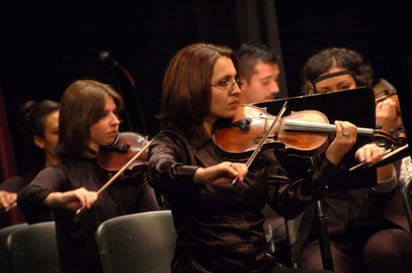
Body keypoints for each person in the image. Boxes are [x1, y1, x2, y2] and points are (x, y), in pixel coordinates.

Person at [146, 42, 384, 273]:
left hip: (258, 265)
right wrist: (203, 174)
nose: (237, 90)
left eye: (236, 80)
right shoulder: (172, 142)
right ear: (193, 87)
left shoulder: (252, 135)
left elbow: (288, 203)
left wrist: (330, 160)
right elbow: (160, 170)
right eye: (224, 82)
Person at [17, 79, 160, 273]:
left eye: (114, 112)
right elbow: (28, 196)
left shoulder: (130, 169)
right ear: (80, 120)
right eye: (103, 115)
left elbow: (152, 224)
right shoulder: (62, 173)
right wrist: (59, 198)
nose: (116, 121)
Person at [294, 47, 412, 273]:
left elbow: (385, 192)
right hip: (330, 235)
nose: (337, 97)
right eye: (325, 91)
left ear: (359, 86)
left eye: (344, 88)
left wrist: (381, 143)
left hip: (381, 226)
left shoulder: (386, 125)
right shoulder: (305, 138)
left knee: (386, 249)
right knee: (318, 265)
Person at [237, 42, 290, 265]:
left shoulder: (274, 124)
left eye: (276, 79)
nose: (276, 89)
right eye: (266, 81)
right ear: (242, 83)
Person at [0, 99, 59, 223]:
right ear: (40, 141)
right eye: (57, 132)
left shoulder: (86, 171)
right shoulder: (26, 184)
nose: (66, 135)